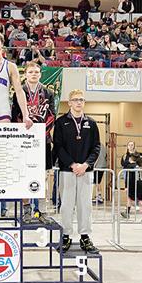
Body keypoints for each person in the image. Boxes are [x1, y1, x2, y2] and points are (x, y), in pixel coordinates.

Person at [53, 90, 100, 254]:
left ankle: (85, 236)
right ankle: (65, 235)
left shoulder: (91, 123)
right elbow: (58, 147)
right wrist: (72, 164)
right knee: (66, 205)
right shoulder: (61, 122)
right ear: (69, 103)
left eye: (81, 100)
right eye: (75, 100)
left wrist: (86, 165)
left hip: (86, 172)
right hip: (67, 171)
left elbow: (96, 147)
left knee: (85, 205)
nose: (79, 102)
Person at [11, 62, 55, 222]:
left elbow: (52, 115)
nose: (34, 74)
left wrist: (40, 134)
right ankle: (26, 210)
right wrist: (23, 133)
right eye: (31, 72)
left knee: (42, 176)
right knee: (24, 174)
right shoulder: (19, 92)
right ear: (26, 74)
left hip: (43, 140)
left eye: (36, 72)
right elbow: (14, 116)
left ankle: (42, 210)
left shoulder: (48, 93)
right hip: (23, 141)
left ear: (40, 74)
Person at [120, 152, 142, 219]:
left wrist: (126, 187)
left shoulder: (129, 167)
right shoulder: (138, 166)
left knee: (129, 198)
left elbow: (128, 178)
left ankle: (127, 213)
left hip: (132, 184)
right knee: (141, 200)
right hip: (140, 184)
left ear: (131, 158)